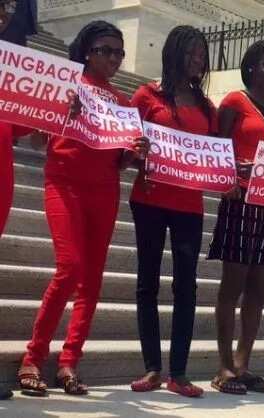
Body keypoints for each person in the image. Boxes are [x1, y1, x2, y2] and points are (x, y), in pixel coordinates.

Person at [17, 21, 147, 397]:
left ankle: (69, 362)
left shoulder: (123, 104)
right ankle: (33, 358)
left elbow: (120, 161)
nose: (114, 59)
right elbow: (39, 141)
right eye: (106, 50)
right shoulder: (66, 86)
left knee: (91, 280)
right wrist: (62, 113)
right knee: (70, 267)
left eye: (119, 53)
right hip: (64, 182)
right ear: (87, 50)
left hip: (104, 190)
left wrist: (135, 153)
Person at [128, 25, 217, 398]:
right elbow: (124, 146)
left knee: (186, 286)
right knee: (147, 282)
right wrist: (137, 151)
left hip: (189, 205)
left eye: (202, 54)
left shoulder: (207, 109)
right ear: (174, 53)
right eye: (192, 53)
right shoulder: (146, 96)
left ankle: (178, 372)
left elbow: (215, 158)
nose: (198, 60)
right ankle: (152, 368)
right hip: (148, 198)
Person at [208, 40, 264, 395]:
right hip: (241, 200)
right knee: (233, 286)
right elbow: (216, 147)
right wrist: (228, 177)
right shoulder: (234, 102)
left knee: (259, 289)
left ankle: (244, 365)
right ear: (252, 66)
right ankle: (224, 366)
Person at [0, 0, 38, 401]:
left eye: (7, 6)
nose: (3, 13)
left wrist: (55, 107)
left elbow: (15, 127)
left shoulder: (12, 66)